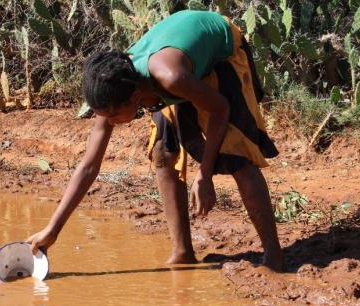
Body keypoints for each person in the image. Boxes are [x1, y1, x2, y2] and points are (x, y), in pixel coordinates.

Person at [26, 10, 284, 272]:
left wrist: (204, 175)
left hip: (220, 53)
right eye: (105, 116)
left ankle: (274, 259)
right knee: (162, 152)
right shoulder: (113, 87)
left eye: (115, 114)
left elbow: (220, 109)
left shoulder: (169, 77)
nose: (111, 121)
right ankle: (182, 252)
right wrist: (53, 229)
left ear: (136, 95)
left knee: (237, 156)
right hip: (178, 70)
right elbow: (89, 166)